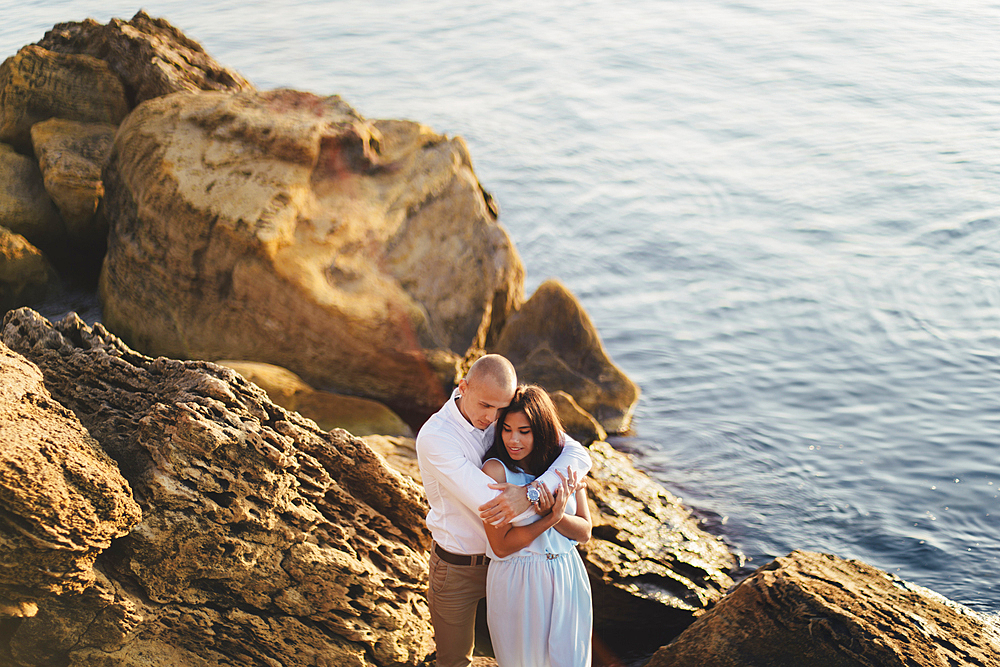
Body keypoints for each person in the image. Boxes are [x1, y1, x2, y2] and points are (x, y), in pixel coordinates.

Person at [416, 355, 592, 667]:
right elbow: (498, 506)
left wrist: (534, 491)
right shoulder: (436, 438)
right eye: (486, 406)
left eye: (501, 408)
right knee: (454, 661)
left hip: (515, 566)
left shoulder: (504, 416)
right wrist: (555, 499)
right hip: (459, 566)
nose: (493, 417)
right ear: (463, 387)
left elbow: (577, 454)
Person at [481, 385, 593, 667]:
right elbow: (501, 546)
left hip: (568, 573)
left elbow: (585, 532)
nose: (513, 440)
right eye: (506, 429)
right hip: (518, 580)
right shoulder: (495, 471)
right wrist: (549, 520)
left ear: (541, 430)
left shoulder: (562, 467)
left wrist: (557, 515)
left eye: (524, 431)